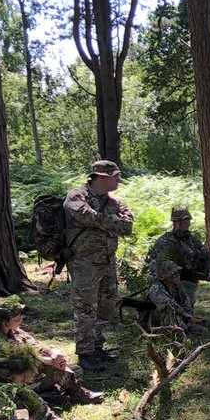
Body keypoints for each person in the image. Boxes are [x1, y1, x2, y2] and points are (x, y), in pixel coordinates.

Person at [63, 159, 134, 371]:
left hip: (108, 261)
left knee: (108, 302)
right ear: (101, 177)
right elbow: (86, 216)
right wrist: (111, 221)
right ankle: (85, 353)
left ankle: (97, 345)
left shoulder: (114, 201)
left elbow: (128, 226)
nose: (118, 179)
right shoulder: (77, 196)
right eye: (115, 176)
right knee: (85, 307)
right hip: (84, 262)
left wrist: (106, 219)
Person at [0, 297, 102, 404]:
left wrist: (54, 354)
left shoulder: (14, 331)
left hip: (20, 370)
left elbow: (35, 346)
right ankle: (76, 393)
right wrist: (49, 362)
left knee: (73, 370)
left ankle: (51, 392)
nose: (21, 320)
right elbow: (17, 360)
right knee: (54, 370)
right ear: (3, 322)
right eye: (16, 318)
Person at [146, 207, 210, 303]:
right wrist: (172, 274)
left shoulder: (193, 240)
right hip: (170, 283)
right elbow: (155, 262)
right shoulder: (165, 240)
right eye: (184, 221)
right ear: (176, 223)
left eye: (188, 220)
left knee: (187, 308)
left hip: (189, 283)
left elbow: (207, 256)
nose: (187, 223)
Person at [145, 260, 206, 335]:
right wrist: (183, 313)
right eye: (173, 273)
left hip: (174, 314)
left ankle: (185, 327)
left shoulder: (175, 285)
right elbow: (168, 304)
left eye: (178, 272)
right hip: (158, 320)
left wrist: (189, 316)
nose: (177, 275)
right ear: (165, 276)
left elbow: (185, 301)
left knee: (202, 325)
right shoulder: (156, 288)